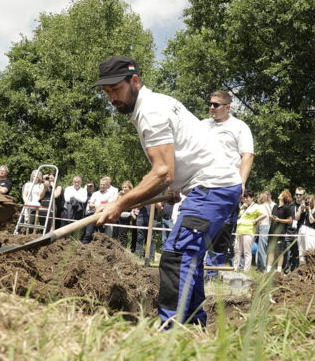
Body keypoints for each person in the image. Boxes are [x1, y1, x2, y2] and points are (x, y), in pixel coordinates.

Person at [94, 56, 242, 326]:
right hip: (212, 185)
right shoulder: (159, 102)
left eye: (116, 89)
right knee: (190, 257)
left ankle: (169, 332)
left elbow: (163, 171)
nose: (112, 98)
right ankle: (194, 326)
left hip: (212, 187)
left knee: (175, 256)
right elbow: (177, 163)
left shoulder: (150, 112)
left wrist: (119, 203)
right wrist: (176, 186)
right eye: (107, 92)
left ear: (135, 81)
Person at [201, 90, 255, 277]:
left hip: (226, 187)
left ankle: (212, 275)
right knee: (197, 227)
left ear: (227, 107)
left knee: (221, 232)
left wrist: (241, 183)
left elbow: (247, 155)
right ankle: (193, 273)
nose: (211, 108)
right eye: (210, 104)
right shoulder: (202, 126)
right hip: (203, 185)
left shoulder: (239, 127)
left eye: (216, 105)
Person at [234, 190, 266, 271]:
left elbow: (264, 215)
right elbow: (237, 215)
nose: (246, 199)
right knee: (237, 251)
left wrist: (255, 220)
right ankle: (235, 268)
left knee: (247, 252)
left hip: (248, 232)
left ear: (252, 198)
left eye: (247, 197)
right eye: (244, 198)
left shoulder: (256, 206)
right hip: (239, 231)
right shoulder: (243, 207)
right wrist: (242, 207)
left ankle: (246, 270)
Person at [82, 177, 118, 244]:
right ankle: (83, 248)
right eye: (101, 184)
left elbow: (109, 204)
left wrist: (101, 207)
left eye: (103, 185)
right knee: (88, 233)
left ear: (107, 186)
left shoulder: (110, 195)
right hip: (93, 215)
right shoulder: (95, 193)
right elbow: (90, 204)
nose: (102, 186)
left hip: (103, 216)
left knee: (101, 235)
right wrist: (96, 206)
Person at [266, 189, 294, 273]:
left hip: (280, 232)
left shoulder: (287, 208)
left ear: (283, 197)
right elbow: (274, 218)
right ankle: (268, 270)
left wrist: (279, 220)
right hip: (272, 231)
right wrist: (271, 218)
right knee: (271, 251)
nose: (279, 194)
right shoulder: (275, 206)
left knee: (279, 252)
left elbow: (290, 220)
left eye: (281, 194)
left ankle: (278, 271)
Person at [296, 194, 315, 262]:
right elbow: (296, 218)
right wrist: (300, 209)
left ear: (313, 202)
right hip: (301, 229)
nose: (308, 203)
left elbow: (311, 221)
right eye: (306, 201)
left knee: (309, 249)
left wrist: (309, 210)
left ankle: (310, 265)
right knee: (301, 249)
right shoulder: (303, 209)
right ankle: (302, 265)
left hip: (310, 230)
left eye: (309, 202)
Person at [255, 191, 273, 271]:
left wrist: (255, 220)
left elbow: (264, 215)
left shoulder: (262, 206)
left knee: (262, 248)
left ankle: (263, 268)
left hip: (264, 227)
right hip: (267, 227)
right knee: (261, 247)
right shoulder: (268, 205)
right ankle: (260, 266)